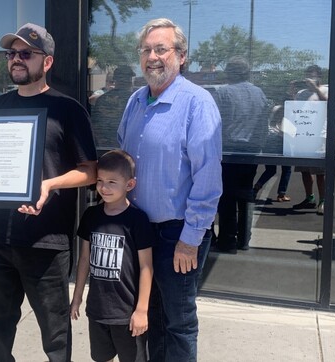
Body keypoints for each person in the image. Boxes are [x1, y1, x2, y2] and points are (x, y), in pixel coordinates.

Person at [0, 23, 97, 362]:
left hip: (46, 243)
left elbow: (90, 172)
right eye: (12, 54)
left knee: (54, 333)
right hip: (0, 240)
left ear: (46, 62)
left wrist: (49, 184)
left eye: (26, 53)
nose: (16, 60)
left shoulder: (68, 110)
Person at [117, 18, 222, 361]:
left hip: (178, 234)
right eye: (146, 49)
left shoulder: (197, 103)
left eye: (161, 49)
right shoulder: (135, 100)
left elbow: (208, 178)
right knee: (151, 316)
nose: (152, 56)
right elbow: (122, 157)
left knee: (178, 322)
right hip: (139, 232)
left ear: (181, 56)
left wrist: (190, 240)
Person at [70, 149, 154, 362]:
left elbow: (146, 267)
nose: (103, 188)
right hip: (97, 309)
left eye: (111, 182)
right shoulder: (91, 215)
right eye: (99, 180)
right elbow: (84, 259)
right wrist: (77, 296)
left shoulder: (137, 220)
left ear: (129, 185)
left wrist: (142, 310)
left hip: (127, 313)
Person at [213, 56, 270, 253]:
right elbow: (264, 122)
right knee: (245, 193)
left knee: (226, 196)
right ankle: (245, 238)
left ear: (230, 72)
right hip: (252, 151)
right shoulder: (259, 92)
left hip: (228, 150)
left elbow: (214, 123)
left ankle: (228, 241)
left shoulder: (224, 92)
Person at [292, 65, 328, 215]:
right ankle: (309, 198)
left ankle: (323, 201)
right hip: (303, 135)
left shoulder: (326, 89)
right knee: (305, 171)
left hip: (319, 136)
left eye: (312, 76)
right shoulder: (301, 93)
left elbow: (327, 103)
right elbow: (295, 110)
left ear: (319, 77)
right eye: (307, 76)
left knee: (320, 172)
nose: (309, 79)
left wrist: (316, 88)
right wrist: (292, 94)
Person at [253, 104, 292, 202]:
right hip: (279, 139)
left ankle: (256, 187)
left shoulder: (273, 108)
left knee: (270, 169)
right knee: (287, 168)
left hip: (268, 138)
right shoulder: (285, 109)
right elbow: (284, 129)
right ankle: (281, 194)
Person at [91, 65, 135, 149]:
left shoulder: (102, 98)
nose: (129, 82)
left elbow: (95, 125)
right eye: (128, 79)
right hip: (124, 148)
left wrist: (101, 143)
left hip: (104, 147)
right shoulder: (134, 100)